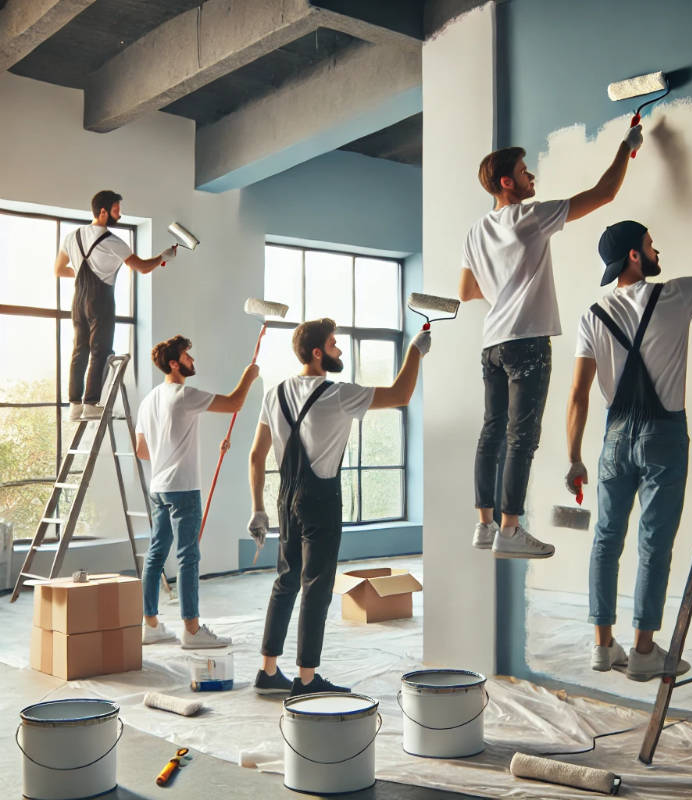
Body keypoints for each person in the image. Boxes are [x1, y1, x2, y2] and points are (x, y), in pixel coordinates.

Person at [565, 202, 692, 681]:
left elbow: (578, 395)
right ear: (634, 256)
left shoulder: (592, 315)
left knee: (606, 540)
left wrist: (573, 458)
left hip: (612, 439)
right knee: (654, 543)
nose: (656, 250)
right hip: (663, 436)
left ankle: (602, 647)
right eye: (650, 244)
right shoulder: (675, 295)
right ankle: (644, 650)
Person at [458, 124, 644, 559]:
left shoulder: (475, 232)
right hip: (526, 343)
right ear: (508, 183)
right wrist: (626, 147)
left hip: (492, 344)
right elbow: (603, 194)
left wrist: (505, 289)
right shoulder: (530, 216)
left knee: (491, 434)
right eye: (525, 172)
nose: (532, 177)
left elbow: (467, 290)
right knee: (521, 438)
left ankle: (484, 526)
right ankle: (510, 529)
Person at [248, 318, 431, 696]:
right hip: (320, 500)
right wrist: (415, 351)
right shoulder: (338, 393)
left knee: (286, 579)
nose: (340, 349)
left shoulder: (275, 392)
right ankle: (307, 679)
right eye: (334, 344)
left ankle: (268, 671)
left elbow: (255, 455)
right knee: (316, 584)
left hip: (285, 498)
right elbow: (400, 394)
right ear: (318, 353)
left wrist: (258, 509)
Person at [135, 335, 260, 648]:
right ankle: (192, 631)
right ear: (174, 364)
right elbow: (234, 402)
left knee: (156, 554)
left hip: (159, 489)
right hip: (183, 490)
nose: (193, 360)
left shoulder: (149, 399)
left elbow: (141, 450)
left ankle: (149, 624)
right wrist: (249, 376)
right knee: (188, 558)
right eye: (187, 357)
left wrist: (169, 454)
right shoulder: (182, 394)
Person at [54, 190, 177, 421]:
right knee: (100, 350)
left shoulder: (72, 237)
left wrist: (82, 272)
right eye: (116, 210)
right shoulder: (113, 241)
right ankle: (91, 403)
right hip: (100, 300)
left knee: (79, 350)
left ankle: (74, 405)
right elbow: (142, 267)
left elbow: (59, 270)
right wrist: (164, 257)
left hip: (78, 299)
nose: (119, 215)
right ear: (103, 212)